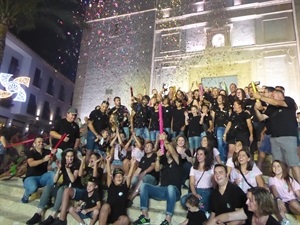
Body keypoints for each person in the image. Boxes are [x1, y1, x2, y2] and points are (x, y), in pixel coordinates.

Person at [133, 133, 182, 225]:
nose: (167, 150)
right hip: (163, 190)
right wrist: (158, 157)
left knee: (170, 187)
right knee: (144, 186)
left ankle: (167, 220)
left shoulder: (177, 160)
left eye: (169, 149)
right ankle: (145, 217)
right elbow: (156, 168)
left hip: (174, 192)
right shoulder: (163, 163)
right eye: (166, 149)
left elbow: (173, 152)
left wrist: (165, 141)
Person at [253, 89, 300, 183]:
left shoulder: (288, 100)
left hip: (288, 137)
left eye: (273, 95)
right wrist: (256, 109)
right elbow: (261, 118)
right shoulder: (271, 107)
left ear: (279, 95)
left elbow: (276, 102)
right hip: (274, 139)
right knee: (279, 164)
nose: (271, 97)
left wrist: (260, 97)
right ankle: (283, 186)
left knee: (293, 163)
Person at [26, 149, 81, 225]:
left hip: (71, 190)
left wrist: (68, 169)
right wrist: (58, 170)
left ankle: (53, 215)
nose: (70, 158)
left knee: (62, 189)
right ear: (65, 157)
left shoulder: (77, 164)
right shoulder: (63, 163)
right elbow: (55, 181)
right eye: (68, 156)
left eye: (71, 156)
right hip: (62, 188)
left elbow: (73, 180)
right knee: (48, 187)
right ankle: (38, 213)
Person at [51, 153, 103, 225]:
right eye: (91, 157)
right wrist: (82, 162)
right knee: (67, 192)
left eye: (93, 158)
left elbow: (94, 176)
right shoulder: (88, 169)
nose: (91, 159)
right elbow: (80, 174)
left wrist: (96, 164)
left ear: (97, 160)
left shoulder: (100, 170)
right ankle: (63, 219)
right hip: (84, 191)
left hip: (91, 194)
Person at [206, 187, 280, 225]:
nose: (247, 202)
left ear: (260, 202)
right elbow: (228, 216)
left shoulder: (272, 223)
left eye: (250, 200)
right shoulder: (248, 211)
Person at [98, 155, 136, 225]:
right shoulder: (111, 185)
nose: (119, 177)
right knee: (105, 206)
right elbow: (109, 174)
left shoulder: (125, 187)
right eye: (117, 176)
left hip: (120, 216)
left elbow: (129, 176)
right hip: (109, 213)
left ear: (123, 178)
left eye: (120, 176)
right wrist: (108, 162)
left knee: (126, 220)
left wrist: (133, 164)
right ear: (113, 178)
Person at [180, 147, 214, 212]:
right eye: (197, 154)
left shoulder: (211, 167)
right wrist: (194, 193)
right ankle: (195, 209)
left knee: (201, 204)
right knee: (183, 200)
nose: (199, 156)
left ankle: (200, 212)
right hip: (196, 190)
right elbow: (192, 183)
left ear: (205, 156)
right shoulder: (193, 168)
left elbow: (214, 183)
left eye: (201, 154)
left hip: (206, 191)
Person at [21, 136, 54, 204]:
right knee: (33, 188)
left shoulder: (47, 151)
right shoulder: (31, 152)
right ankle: (26, 194)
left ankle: (47, 196)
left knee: (52, 175)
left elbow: (52, 160)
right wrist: (43, 160)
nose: (41, 143)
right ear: (34, 144)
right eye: (39, 142)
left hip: (42, 177)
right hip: (31, 177)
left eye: (42, 142)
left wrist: (53, 155)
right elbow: (31, 164)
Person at [269, 160, 300, 224]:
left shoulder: (290, 179)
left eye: (278, 166)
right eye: (274, 166)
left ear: (282, 167)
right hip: (283, 203)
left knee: (293, 202)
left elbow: (298, 193)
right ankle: (286, 222)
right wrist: (278, 199)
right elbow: (273, 189)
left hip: (293, 203)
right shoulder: (272, 179)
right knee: (277, 205)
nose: (276, 168)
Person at [211, 94, 231, 163]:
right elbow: (212, 118)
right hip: (218, 127)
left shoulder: (228, 108)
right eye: (218, 98)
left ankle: (225, 159)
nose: (219, 100)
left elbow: (230, 118)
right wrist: (212, 126)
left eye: (220, 98)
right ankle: (221, 160)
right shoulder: (215, 108)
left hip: (226, 127)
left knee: (225, 143)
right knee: (220, 143)